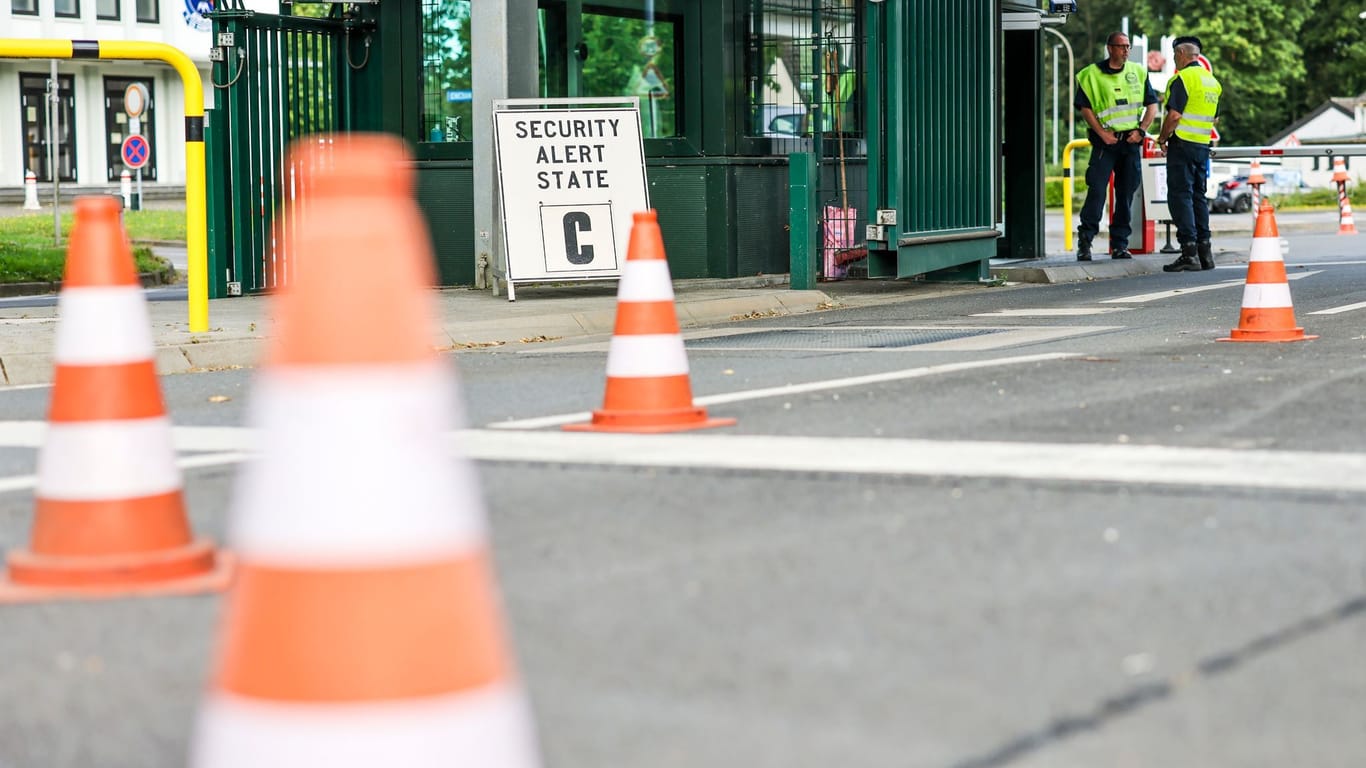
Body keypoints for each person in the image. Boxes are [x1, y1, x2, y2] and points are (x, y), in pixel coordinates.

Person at [1073, 32, 1160, 262]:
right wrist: (1102, 133)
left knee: (1125, 195)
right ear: (1110, 48)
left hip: (1130, 143)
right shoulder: (1091, 75)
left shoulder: (1138, 73)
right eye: (1121, 46)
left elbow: (1152, 105)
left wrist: (1141, 130)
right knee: (1097, 192)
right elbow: (1085, 107)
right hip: (1105, 143)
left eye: (1128, 46)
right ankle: (1085, 243)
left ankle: (1120, 245)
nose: (1126, 51)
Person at [1158, 38, 1222, 272]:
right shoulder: (1212, 82)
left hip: (1182, 144)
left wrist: (1163, 138)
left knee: (1180, 196)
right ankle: (1205, 253)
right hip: (1201, 146)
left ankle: (1189, 252)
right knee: (1198, 196)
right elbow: (1214, 117)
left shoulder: (1182, 79)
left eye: (1175, 55)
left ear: (1182, 53)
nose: (1175, 60)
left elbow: (1174, 116)